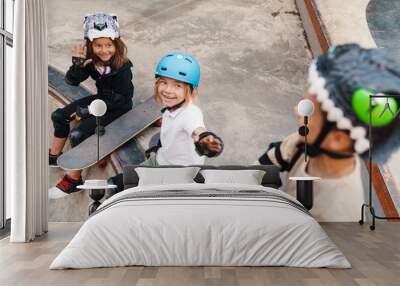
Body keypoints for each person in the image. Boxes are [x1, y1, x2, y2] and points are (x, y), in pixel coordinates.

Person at [257, 44, 400, 222]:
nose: (296, 111)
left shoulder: (338, 214)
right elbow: (271, 160)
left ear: (337, 139)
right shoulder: (305, 142)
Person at [108, 52, 224, 192]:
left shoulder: (190, 113)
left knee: (127, 191)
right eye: (164, 82)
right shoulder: (172, 107)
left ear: (190, 90)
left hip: (177, 176)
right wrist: (158, 148)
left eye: (178, 86)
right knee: (115, 183)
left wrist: (205, 141)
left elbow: (197, 130)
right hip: (161, 160)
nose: (168, 90)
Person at [49, 13, 134, 195]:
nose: (104, 50)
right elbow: (72, 82)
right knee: (59, 116)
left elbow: (119, 100)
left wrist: (87, 111)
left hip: (118, 107)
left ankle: (73, 179)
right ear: (90, 45)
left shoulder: (123, 67)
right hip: (102, 99)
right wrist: (78, 66)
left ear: (116, 44)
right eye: (98, 46)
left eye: (108, 45)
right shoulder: (91, 60)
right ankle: (54, 156)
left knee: (78, 134)